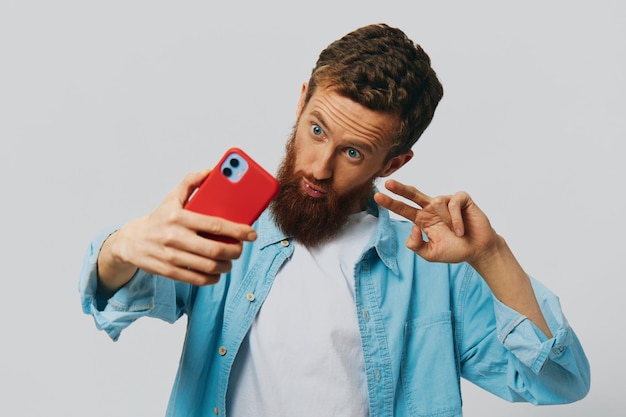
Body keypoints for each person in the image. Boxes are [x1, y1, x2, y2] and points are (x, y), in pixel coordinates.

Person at [79, 23, 590, 417]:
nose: (318, 168)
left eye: (352, 152)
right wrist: (123, 246)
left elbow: (559, 381)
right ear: (301, 101)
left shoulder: (436, 266)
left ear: (393, 164)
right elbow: (111, 300)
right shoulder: (228, 228)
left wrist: (491, 255)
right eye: (316, 129)